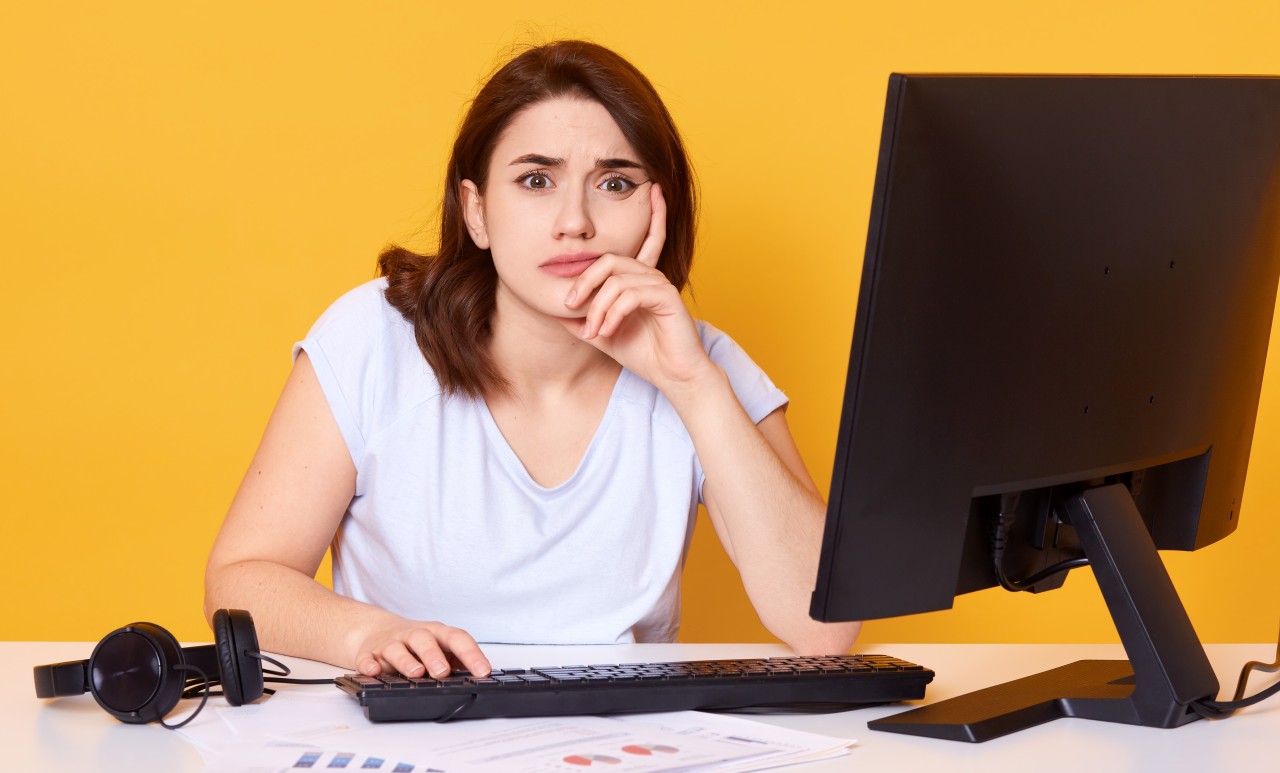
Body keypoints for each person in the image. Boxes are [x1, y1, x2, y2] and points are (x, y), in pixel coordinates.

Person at [204, 39, 860, 682]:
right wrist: (367, 634)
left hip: (626, 743)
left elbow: (825, 627)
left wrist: (689, 384)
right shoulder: (372, 338)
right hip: (414, 735)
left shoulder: (700, 361)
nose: (574, 220)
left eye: (615, 182)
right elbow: (241, 580)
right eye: (536, 180)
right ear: (477, 211)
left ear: (659, 209)